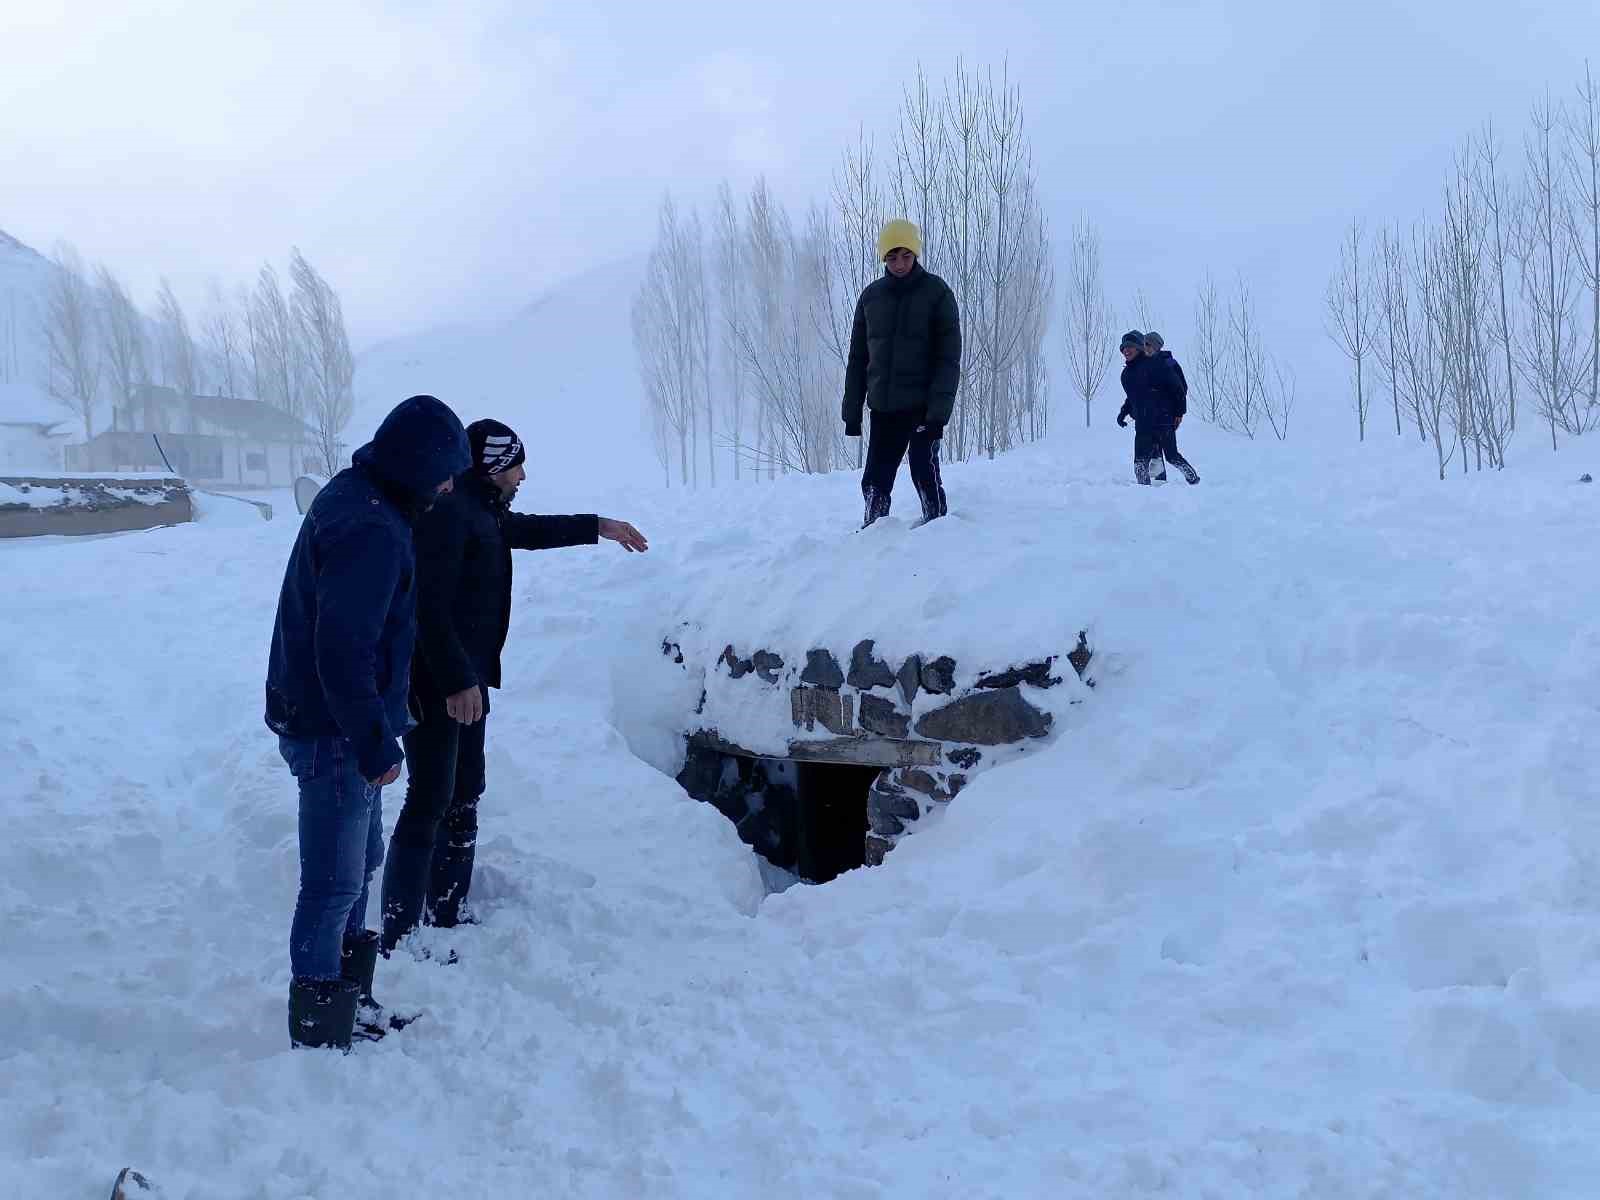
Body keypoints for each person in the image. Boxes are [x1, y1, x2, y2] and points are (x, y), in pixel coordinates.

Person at [380, 419, 650, 956]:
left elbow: (523, 530)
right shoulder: (449, 515)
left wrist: (597, 525)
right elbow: (426, 610)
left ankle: (444, 910)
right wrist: (457, 681)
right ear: (492, 467)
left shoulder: (479, 510)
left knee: (464, 791)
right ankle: (400, 933)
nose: (523, 476)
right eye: (516, 465)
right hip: (438, 681)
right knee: (430, 798)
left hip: (468, 680)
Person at [265, 394, 471, 1051]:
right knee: (333, 883)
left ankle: (353, 1003)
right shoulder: (370, 529)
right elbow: (343, 648)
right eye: (444, 473)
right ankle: (320, 1030)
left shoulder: (366, 497)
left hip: (347, 724)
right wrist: (375, 741)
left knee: (360, 866)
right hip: (336, 732)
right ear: (415, 465)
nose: (448, 487)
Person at [842, 218, 962, 528]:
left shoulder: (937, 294)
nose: (899, 263)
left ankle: (938, 527)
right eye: (892, 257)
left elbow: (948, 359)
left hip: (923, 407)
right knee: (875, 479)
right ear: (884, 258)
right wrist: (852, 412)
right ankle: (872, 530)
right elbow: (858, 359)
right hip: (884, 407)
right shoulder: (871, 298)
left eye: (906, 255)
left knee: (923, 469)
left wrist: (938, 415)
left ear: (916, 254)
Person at [1117, 329, 1200, 485]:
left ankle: (1192, 478)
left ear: (1139, 347)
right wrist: (1123, 413)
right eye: (1123, 347)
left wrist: (1179, 413)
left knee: (1171, 456)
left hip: (1163, 420)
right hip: (1142, 423)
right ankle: (1145, 494)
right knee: (1140, 464)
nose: (1126, 350)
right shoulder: (1126, 375)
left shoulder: (1157, 364)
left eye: (1130, 346)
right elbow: (1133, 397)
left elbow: (1178, 389)